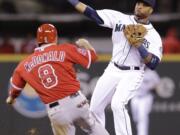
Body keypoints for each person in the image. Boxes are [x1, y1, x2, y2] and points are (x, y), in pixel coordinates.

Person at [67, 0, 163, 134]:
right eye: (138, 3)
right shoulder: (120, 18)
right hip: (113, 69)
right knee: (94, 108)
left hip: (132, 73)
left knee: (118, 105)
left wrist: (139, 46)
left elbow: (153, 63)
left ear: (151, 10)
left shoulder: (153, 36)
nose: (139, 6)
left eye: (145, 5)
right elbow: (92, 14)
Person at [6, 23, 109, 135]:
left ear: (38, 40)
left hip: (57, 111)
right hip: (77, 102)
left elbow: (15, 88)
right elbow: (93, 57)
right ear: (55, 37)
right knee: (93, 126)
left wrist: (11, 98)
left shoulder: (23, 65)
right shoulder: (65, 49)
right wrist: (86, 45)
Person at [130, 68, 160, 135]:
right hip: (135, 97)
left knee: (142, 117)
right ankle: (140, 131)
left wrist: (153, 88)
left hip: (145, 97)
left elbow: (158, 84)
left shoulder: (151, 72)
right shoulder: (134, 71)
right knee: (136, 118)